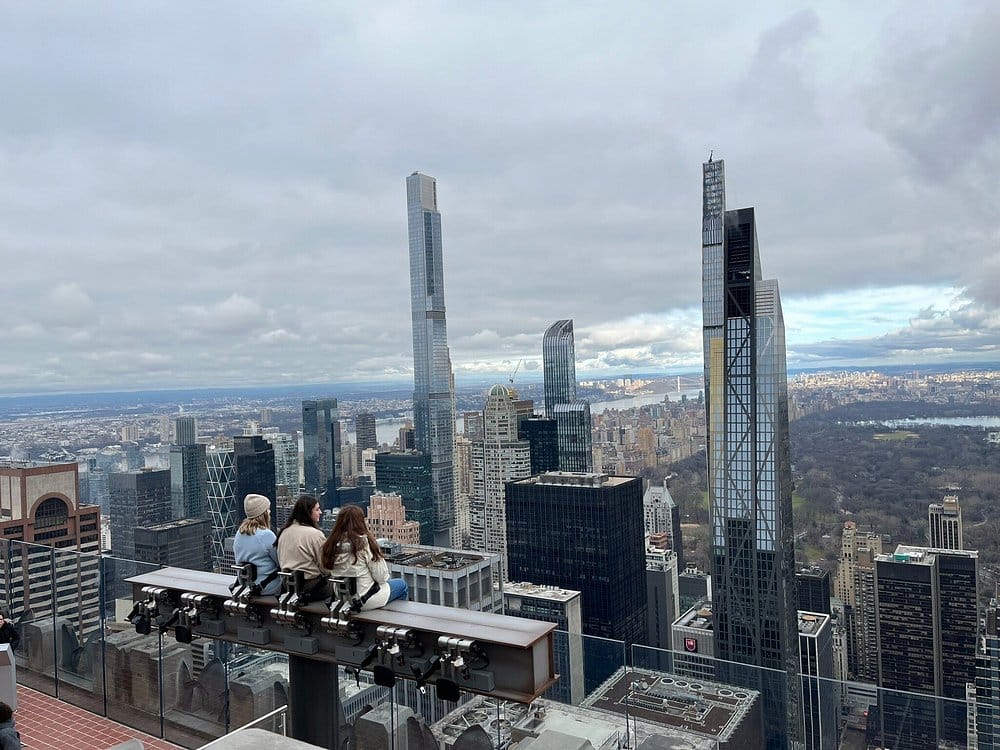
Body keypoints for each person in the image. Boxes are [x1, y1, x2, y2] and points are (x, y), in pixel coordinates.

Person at [320, 504, 407, 611]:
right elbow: (382, 577)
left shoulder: (330, 545)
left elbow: (326, 570)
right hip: (365, 599)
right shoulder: (364, 544)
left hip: (341, 599)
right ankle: (394, 620)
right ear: (361, 522)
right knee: (402, 585)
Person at [276, 495, 331, 602]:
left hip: (287, 586)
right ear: (307, 512)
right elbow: (325, 566)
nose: (320, 512)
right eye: (317, 509)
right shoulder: (314, 535)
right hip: (312, 588)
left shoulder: (284, 532)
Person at [232, 494, 281, 596]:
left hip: (245, 586)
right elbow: (279, 561)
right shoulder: (266, 534)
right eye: (268, 509)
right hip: (266, 587)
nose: (270, 512)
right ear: (263, 514)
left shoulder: (239, 533)